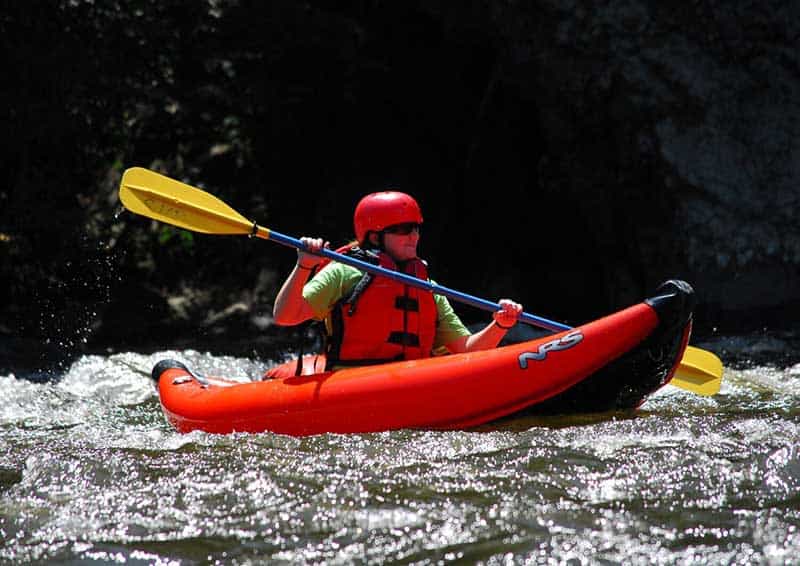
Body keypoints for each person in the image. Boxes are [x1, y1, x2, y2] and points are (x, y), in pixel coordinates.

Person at [272, 190, 523, 370]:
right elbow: (285, 316)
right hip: (350, 382)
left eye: (415, 228)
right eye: (402, 229)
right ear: (375, 237)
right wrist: (304, 266)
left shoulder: (425, 286)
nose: (413, 236)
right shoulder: (344, 273)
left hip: (411, 380)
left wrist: (501, 324)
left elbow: (468, 350)